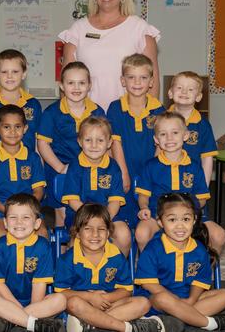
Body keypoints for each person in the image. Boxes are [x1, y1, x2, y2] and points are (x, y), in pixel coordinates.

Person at [55, 203, 182, 332]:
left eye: (101, 229)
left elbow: (126, 290)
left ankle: (93, 326)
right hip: (83, 306)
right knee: (73, 303)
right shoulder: (68, 259)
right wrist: (91, 298)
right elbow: (61, 292)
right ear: (77, 232)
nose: (95, 234)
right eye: (88, 229)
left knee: (143, 303)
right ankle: (127, 328)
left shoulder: (115, 255)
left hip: (109, 305)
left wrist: (105, 299)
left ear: (109, 232)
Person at [134, 193, 225, 331]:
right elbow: (148, 284)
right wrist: (174, 300)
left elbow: (200, 281)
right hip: (158, 301)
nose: (180, 226)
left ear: (194, 220)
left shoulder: (198, 249)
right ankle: (210, 323)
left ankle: (172, 321)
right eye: (172, 220)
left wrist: (191, 300)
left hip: (187, 299)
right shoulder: (153, 248)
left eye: (186, 219)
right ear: (160, 222)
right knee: (163, 299)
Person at [0, 49, 43, 260]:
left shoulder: (33, 104)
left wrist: (37, 161)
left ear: (24, 73)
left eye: (15, 71)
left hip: (25, 169)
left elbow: (38, 140)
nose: (10, 76)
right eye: (4, 72)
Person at [59, 0, 161, 111]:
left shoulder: (140, 28)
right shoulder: (77, 30)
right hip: (87, 120)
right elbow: (65, 82)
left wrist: (150, 119)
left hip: (129, 119)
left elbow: (153, 81)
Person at [0, 194, 66, 332]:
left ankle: (12, 320)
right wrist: (18, 309)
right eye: (13, 217)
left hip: (35, 302)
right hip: (5, 301)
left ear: (37, 223)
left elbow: (39, 283)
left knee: (61, 300)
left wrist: (23, 312)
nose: (19, 222)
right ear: (6, 223)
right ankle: (32, 323)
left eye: (26, 217)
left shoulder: (43, 246)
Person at [133, 112, 218, 252]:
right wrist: (143, 208)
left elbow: (202, 198)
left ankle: (199, 267)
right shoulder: (150, 166)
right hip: (158, 217)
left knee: (218, 236)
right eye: (163, 134)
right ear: (156, 139)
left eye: (175, 133)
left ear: (185, 136)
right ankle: (150, 268)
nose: (169, 138)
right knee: (142, 233)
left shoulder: (195, 167)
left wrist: (187, 212)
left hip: (188, 218)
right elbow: (143, 195)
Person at [37, 62, 105, 227]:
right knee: (63, 220)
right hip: (61, 171)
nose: (76, 87)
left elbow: (105, 144)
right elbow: (43, 144)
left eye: (82, 83)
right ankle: (63, 252)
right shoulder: (52, 113)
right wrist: (60, 168)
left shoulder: (97, 112)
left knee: (88, 218)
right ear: (61, 85)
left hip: (89, 171)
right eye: (70, 83)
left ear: (89, 85)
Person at [107, 53, 165, 230]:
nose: (137, 82)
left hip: (150, 170)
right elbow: (115, 142)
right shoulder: (115, 108)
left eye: (143, 77)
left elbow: (161, 144)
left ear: (151, 82)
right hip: (125, 169)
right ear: (123, 81)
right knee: (124, 218)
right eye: (131, 77)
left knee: (148, 218)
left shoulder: (159, 109)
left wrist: (153, 171)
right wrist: (123, 172)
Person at [61, 116, 131, 255]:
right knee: (78, 240)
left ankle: (116, 270)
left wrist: (102, 220)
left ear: (109, 142)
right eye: (88, 140)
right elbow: (73, 201)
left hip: (108, 216)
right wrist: (91, 221)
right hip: (79, 216)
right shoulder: (75, 166)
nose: (94, 145)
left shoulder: (113, 167)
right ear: (80, 142)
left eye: (100, 140)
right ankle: (82, 273)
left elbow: (115, 201)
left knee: (123, 233)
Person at [0, 104, 48, 241]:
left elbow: (39, 191)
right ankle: (3, 262)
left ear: (25, 128)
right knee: (1, 235)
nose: (13, 131)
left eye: (18, 126)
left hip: (28, 208)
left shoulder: (33, 158)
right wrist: (6, 210)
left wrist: (26, 209)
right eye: (6, 127)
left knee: (42, 233)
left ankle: (36, 263)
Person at [167, 71, 218, 187]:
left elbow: (207, 159)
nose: (184, 91)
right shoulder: (161, 120)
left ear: (199, 97)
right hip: (164, 181)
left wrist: (203, 188)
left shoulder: (203, 125)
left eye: (190, 89)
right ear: (170, 93)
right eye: (179, 87)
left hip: (192, 182)